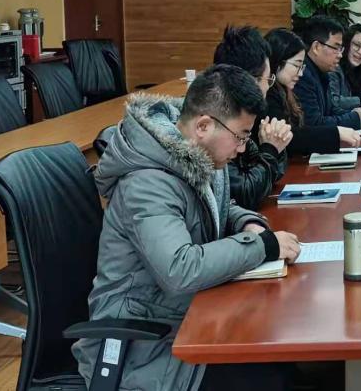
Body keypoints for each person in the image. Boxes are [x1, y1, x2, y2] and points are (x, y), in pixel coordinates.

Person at [73, 65, 302, 391]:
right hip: (142, 346)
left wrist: (248, 223)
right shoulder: (147, 183)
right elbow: (180, 269)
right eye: (240, 136)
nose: (242, 148)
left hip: (182, 316)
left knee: (280, 355)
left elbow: (218, 207)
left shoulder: (196, 155)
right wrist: (263, 246)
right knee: (271, 377)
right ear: (204, 125)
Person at [212, 25, 293, 210]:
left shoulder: (248, 113)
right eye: (268, 79)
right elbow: (245, 194)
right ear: (251, 80)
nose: (269, 87)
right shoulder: (220, 120)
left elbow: (272, 176)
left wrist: (275, 147)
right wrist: (271, 149)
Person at [265, 27, 361, 155]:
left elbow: (329, 110)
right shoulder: (269, 94)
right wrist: (337, 133)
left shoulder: (286, 89)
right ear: (277, 62)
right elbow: (291, 137)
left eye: (301, 67)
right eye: (296, 65)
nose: (300, 73)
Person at [293, 16, 361, 128]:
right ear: (316, 47)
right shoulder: (303, 75)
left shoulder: (322, 72)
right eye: (336, 48)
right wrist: (355, 118)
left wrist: (356, 114)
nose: (340, 55)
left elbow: (331, 110)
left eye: (341, 49)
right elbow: (315, 124)